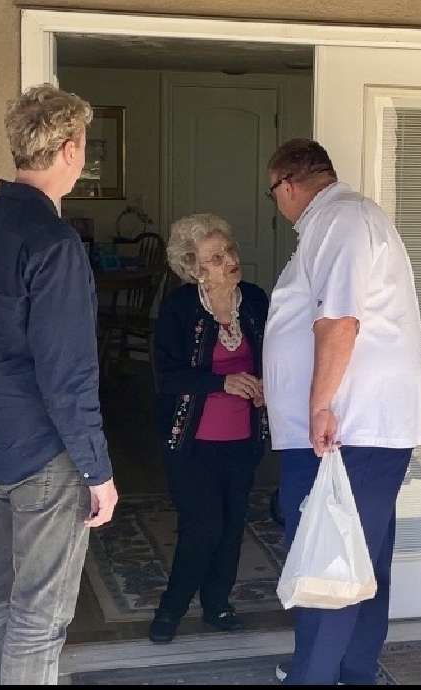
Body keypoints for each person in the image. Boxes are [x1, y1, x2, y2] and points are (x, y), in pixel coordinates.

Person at [0, 84, 118, 685]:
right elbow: (68, 375)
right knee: (38, 618)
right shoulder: (53, 241)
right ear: (69, 148)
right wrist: (99, 471)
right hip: (46, 454)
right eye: (84, 146)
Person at [263, 139, 421, 684]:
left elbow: (338, 321)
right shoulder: (340, 221)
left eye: (273, 194)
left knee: (328, 563)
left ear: (287, 185)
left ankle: (314, 677)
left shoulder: (340, 219)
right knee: (359, 560)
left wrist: (317, 404)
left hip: (345, 428)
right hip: (358, 427)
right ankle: (355, 672)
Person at [149, 213, 270, 643]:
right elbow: (168, 376)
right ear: (195, 268)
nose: (229, 261)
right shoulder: (181, 309)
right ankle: (171, 609)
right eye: (216, 258)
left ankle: (218, 605)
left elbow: (275, 356)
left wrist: (265, 388)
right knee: (203, 528)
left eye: (230, 251)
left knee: (234, 525)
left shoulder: (254, 300)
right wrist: (221, 382)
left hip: (242, 439)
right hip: (193, 442)